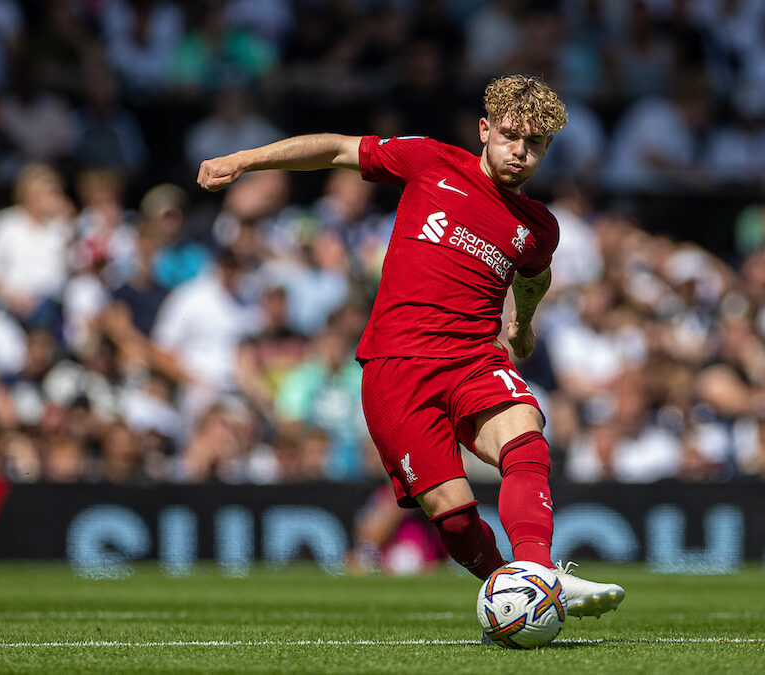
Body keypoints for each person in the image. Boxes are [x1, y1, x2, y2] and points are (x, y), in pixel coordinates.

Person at [197, 74, 624, 619]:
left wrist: (522, 325)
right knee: (455, 515)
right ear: (484, 130)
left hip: (473, 358)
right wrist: (246, 159)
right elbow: (335, 150)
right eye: (511, 136)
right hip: (395, 368)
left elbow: (533, 277)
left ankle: (539, 574)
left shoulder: (539, 227)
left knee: (527, 439)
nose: (520, 152)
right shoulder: (431, 162)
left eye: (535, 144)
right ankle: (519, 592)